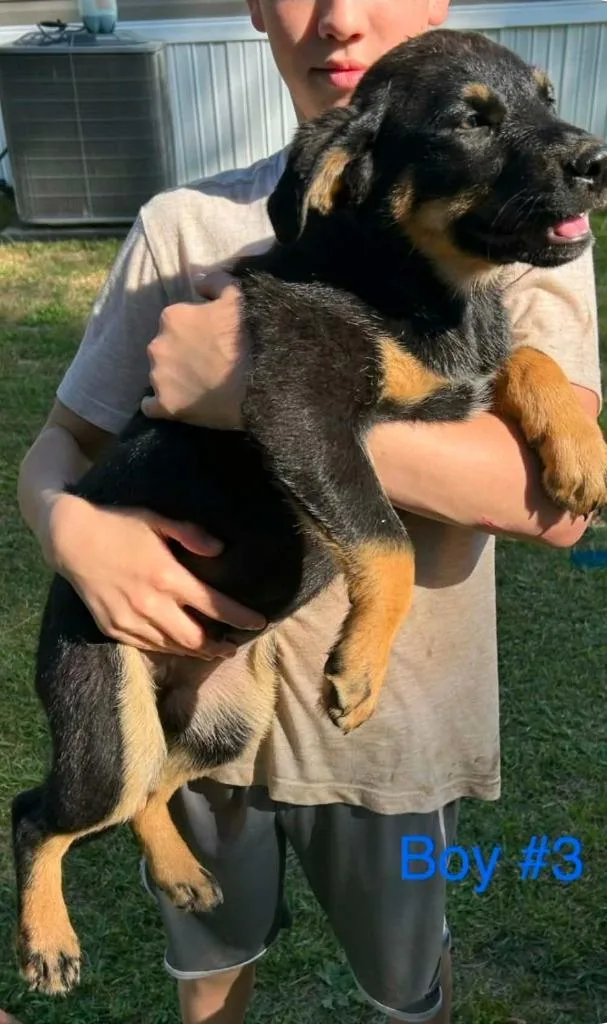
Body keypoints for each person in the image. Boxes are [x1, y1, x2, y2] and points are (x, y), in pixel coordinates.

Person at [17, 2, 604, 1023]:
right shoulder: (184, 225)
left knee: (404, 977)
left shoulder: (508, 233)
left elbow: (554, 508)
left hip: (393, 737)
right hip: (196, 693)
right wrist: (66, 524)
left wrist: (243, 394)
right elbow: (64, 443)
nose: (337, 16)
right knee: (212, 954)